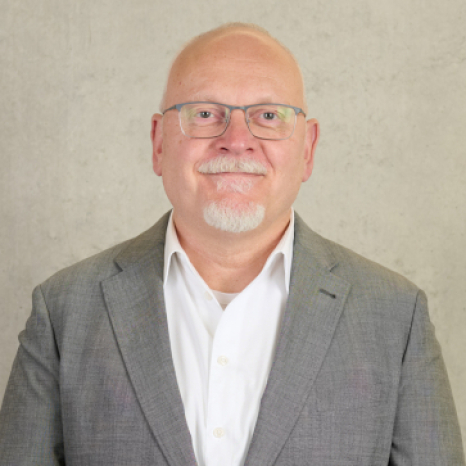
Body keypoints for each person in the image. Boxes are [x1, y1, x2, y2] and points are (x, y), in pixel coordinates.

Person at [0, 23, 464, 466]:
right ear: (159, 143)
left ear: (307, 149)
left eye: (268, 116)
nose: (237, 141)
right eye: (205, 114)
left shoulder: (394, 316)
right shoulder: (63, 312)